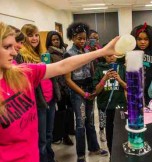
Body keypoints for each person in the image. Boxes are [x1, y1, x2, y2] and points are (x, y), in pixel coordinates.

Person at [0, 21, 119, 162]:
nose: (14, 51)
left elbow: (63, 66)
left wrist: (102, 51)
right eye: (7, 47)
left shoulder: (23, 72)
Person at [64, 22, 108, 162]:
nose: (82, 41)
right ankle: (81, 154)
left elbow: (92, 71)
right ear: (72, 38)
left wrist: (95, 87)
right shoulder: (68, 54)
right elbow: (68, 80)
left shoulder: (88, 52)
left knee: (90, 121)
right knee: (80, 122)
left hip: (89, 88)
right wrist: (82, 93)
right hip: (77, 90)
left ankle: (94, 148)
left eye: (84, 38)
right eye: (79, 38)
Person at [18, 24, 61, 162]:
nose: (34, 38)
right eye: (30, 35)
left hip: (50, 98)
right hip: (38, 103)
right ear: (24, 37)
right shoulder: (21, 57)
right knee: (41, 138)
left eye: (36, 35)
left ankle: (50, 158)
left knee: (49, 134)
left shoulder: (43, 53)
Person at [93, 55, 126, 154]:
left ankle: (121, 155)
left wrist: (119, 80)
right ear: (104, 55)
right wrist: (105, 78)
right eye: (108, 55)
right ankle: (111, 154)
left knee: (121, 132)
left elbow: (130, 87)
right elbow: (96, 91)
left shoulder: (122, 68)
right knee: (109, 133)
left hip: (120, 106)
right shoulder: (99, 69)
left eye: (113, 55)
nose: (111, 57)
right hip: (104, 106)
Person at [45, 31, 74, 145]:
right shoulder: (48, 54)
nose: (56, 41)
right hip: (59, 88)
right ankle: (64, 135)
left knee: (69, 111)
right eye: (53, 40)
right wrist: (59, 87)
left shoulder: (65, 51)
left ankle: (70, 130)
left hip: (69, 85)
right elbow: (51, 73)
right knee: (61, 113)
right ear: (49, 41)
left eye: (57, 39)